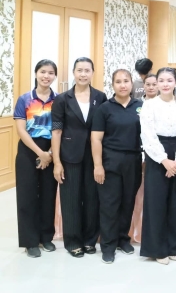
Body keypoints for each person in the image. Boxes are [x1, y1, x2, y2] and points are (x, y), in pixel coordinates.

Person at [51, 57, 107, 258]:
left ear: (93, 73)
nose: (83, 74)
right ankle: (73, 241)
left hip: (94, 156)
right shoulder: (62, 99)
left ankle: (90, 240)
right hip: (69, 155)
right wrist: (57, 162)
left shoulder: (100, 97)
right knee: (71, 199)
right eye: (79, 70)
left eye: (87, 70)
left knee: (92, 198)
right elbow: (56, 132)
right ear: (74, 73)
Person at [91, 68, 143, 264]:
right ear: (112, 85)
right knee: (109, 205)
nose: (123, 85)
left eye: (126, 81)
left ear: (131, 83)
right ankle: (108, 245)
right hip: (110, 161)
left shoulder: (141, 106)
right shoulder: (104, 109)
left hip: (133, 160)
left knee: (128, 202)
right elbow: (96, 139)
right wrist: (98, 165)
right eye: (118, 82)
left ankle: (123, 239)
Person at [139, 67, 176, 265]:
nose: (165, 84)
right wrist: (164, 160)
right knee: (156, 203)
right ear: (156, 83)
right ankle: (157, 249)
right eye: (161, 80)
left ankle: (175, 246)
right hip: (156, 155)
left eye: (169, 80)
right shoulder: (149, 105)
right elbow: (147, 134)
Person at [13, 59, 59, 258]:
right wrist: (40, 153)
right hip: (28, 150)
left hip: (52, 149)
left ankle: (46, 237)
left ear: (55, 76)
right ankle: (30, 241)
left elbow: (60, 128)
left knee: (48, 195)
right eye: (43, 72)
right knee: (27, 195)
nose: (46, 76)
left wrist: (50, 154)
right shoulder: (25, 99)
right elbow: (21, 130)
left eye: (50, 73)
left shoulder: (59, 100)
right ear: (36, 73)